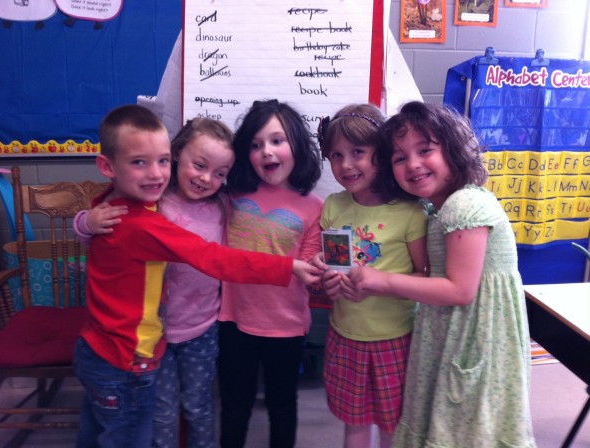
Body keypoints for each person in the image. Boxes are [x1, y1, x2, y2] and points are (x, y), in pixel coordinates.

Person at [73, 104, 321, 448]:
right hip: (135, 350)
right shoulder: (150, 213)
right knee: (145, 422)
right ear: (180, 156)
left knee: (186, 409)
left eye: (159, 161)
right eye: (140, 162)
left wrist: (85, 221)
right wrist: (286, 267)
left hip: (190, 330)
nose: (155, 173)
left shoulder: (212, 203)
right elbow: (215, 258)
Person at [343, 101, 536, 448]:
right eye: (400, 158)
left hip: (473, 340)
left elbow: (460, 290)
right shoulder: (441, 208)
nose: (413, 164)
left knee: (467, 431)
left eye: (425, 150)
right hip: (457, 333)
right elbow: (435, 282)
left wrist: (381, 280)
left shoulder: (465, 205)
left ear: (455, 150)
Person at [312, 104, 428, 448]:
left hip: (394, 339)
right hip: (345, 336)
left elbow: (426, 278)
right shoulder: (333, 205)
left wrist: (380, 284)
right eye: (336, 155)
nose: (346, 165)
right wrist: (325, 277)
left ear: (382, 152)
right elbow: (329, 267)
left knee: (394, 427)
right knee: (354, 423)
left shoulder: (411, 213)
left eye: (358, 152)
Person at [217, 99, 323, 448]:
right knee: (235, 405)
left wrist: (321, 268)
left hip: (286, 324)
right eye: (256, 144)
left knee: (281, 405)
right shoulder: (231, 194)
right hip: (234, 320)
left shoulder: (313, 207)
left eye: (277, 141)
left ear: (296, 144)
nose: (266, 152)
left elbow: (308, 264)